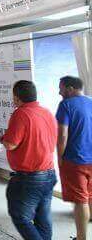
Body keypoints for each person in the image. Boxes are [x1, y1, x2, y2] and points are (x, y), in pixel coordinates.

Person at [1, 80, 58, 240]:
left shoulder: (21, 113)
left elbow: (11, 144)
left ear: (17, 98)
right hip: (48, 172)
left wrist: (3, 139)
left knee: (20, 216)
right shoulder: (46, 112)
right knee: (43, 217)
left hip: (29, 176)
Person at [55, 76, 92, 240]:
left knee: (80, 200)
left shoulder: (66, 105)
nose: (59, 92)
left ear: (70, 88)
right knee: (90, 195)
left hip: (76, 159)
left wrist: (60, 156)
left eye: (61, 88)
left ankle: (81, 238)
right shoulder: (91, 102)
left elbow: (62, 134)